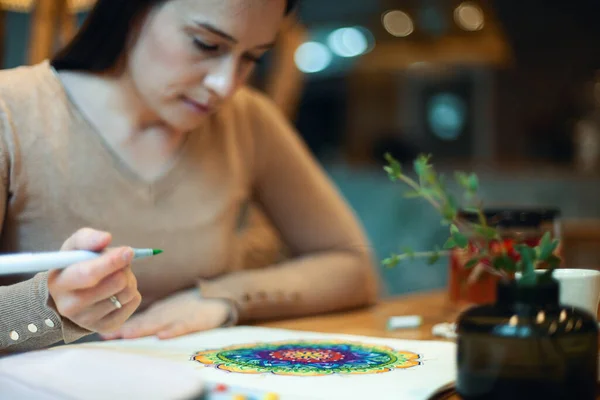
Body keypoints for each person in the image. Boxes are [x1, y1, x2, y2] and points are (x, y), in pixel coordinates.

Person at [0, 0, 378, 353]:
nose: (225, 85)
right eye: (206, 44)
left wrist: (222, 297)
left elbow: (352, 267)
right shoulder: (12, 111)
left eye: (251, 58)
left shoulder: (247, 120)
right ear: (134, 11)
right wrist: (47, 307)